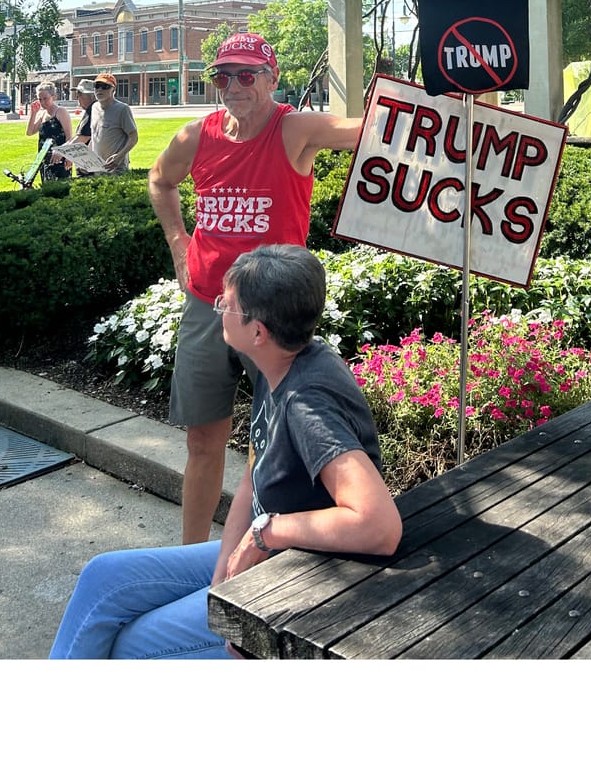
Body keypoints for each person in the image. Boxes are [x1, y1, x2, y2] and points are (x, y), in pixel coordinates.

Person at [47, 244, 401, 659]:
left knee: (133, 646)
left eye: (227, 304)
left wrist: (267, 533)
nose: (218, 308)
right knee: (103, 579)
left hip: (304, 577)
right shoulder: (279, 363)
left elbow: (379, 526)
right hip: (270, 553)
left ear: (258, 331)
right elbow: (254, 478)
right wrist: (222, 592)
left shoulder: (307, 403)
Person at [148, 32, 364, 544]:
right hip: (209, 304)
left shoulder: (293, 129)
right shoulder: (196, 137)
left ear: (271, 79)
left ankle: (260, 553)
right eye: (223, 76)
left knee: (277, 441)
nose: (234, 86)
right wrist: (180, 244)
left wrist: (453, 97)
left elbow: (365, 131)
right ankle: (192, 559)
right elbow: (160, 180)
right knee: (202, 441)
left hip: (273, 310)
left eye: (247, 75)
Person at [87, 73, 139, 173]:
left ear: (113, 90)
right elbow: (94, 137)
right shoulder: (94, 107)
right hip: (98, 168)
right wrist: (88, 159)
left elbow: (134, 137)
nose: (100, 90)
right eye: (97, 86)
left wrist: (119, 156)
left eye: (105, 86)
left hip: (116, 169)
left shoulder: (122, 109)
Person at [24, 80, 70, 182]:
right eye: (40, 99)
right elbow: (30, 132)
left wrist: (67, 156)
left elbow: (69, 136)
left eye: (45, 98)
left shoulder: (61, 112)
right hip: (44, 159)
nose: (43, 102)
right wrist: (33, 113)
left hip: (59, 158)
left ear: (53, 97)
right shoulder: (42, 114)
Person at [70, 79, 97, 146]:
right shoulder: (94, 109)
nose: (77, 98)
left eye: (79, 94)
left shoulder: (93, 110)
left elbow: (83, 137)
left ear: (91, 96)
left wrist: (61, 152)